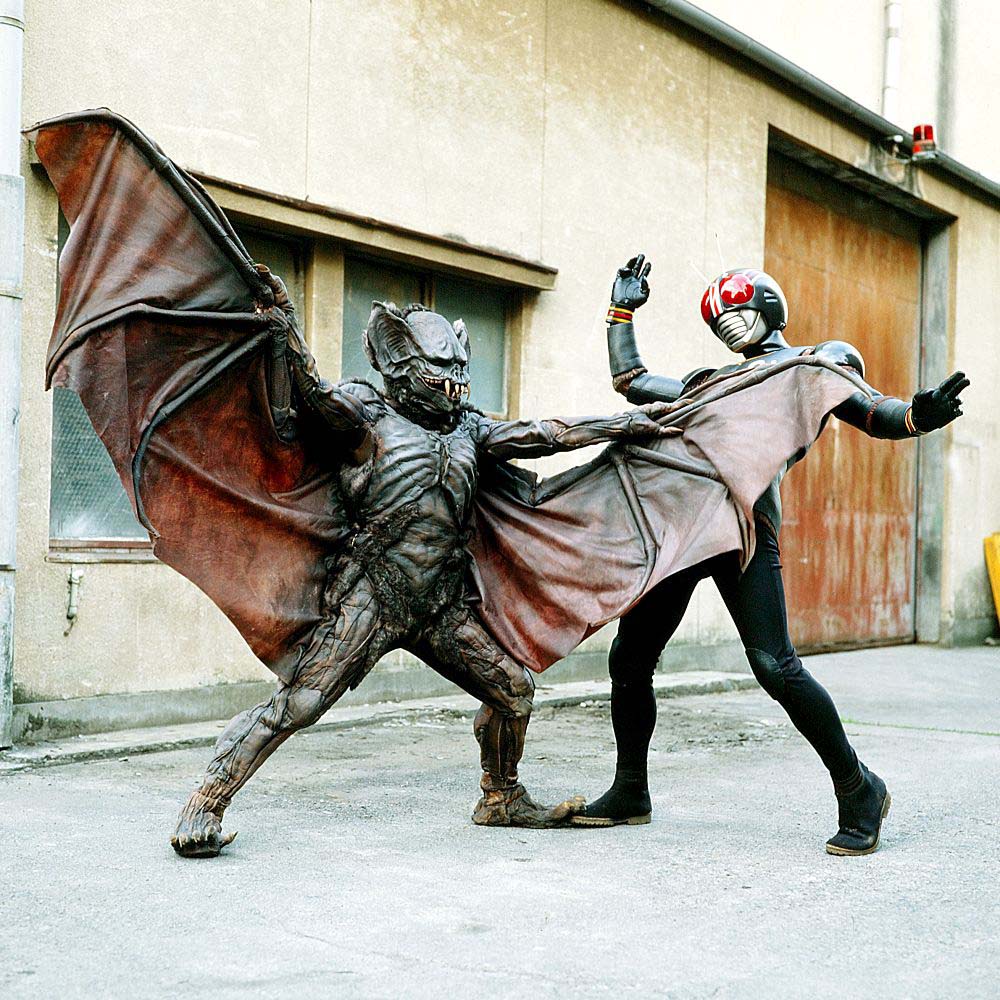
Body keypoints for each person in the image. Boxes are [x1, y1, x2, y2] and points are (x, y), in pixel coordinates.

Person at [571, 255, 968, 856]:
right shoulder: (713, 382)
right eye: (718, 318)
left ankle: (860, 789)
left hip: (745, 529)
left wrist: (916, 416)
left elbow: (872, 411)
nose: (727, 321)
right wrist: (619, 312)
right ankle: (630, 790)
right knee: (630, 658)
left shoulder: (809, 366)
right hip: (684, 529)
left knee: (775, 666)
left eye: (737, 307)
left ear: (769, 306)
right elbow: (632, 380)